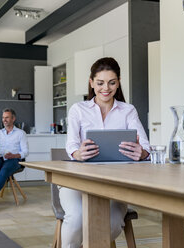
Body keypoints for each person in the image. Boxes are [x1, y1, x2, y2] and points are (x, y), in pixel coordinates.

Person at [61, 57, 150, 247]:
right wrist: (77, 153)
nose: (106, 89)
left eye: (112, 82)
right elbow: (71, 146)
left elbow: (146, 148)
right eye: (100, 83)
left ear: (118, 83)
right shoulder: (78, 109)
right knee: (76, 218)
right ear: (91, 82)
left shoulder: (128, 110)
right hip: (78, 179)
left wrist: (141, 153)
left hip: (117, 183)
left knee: (111, 222)